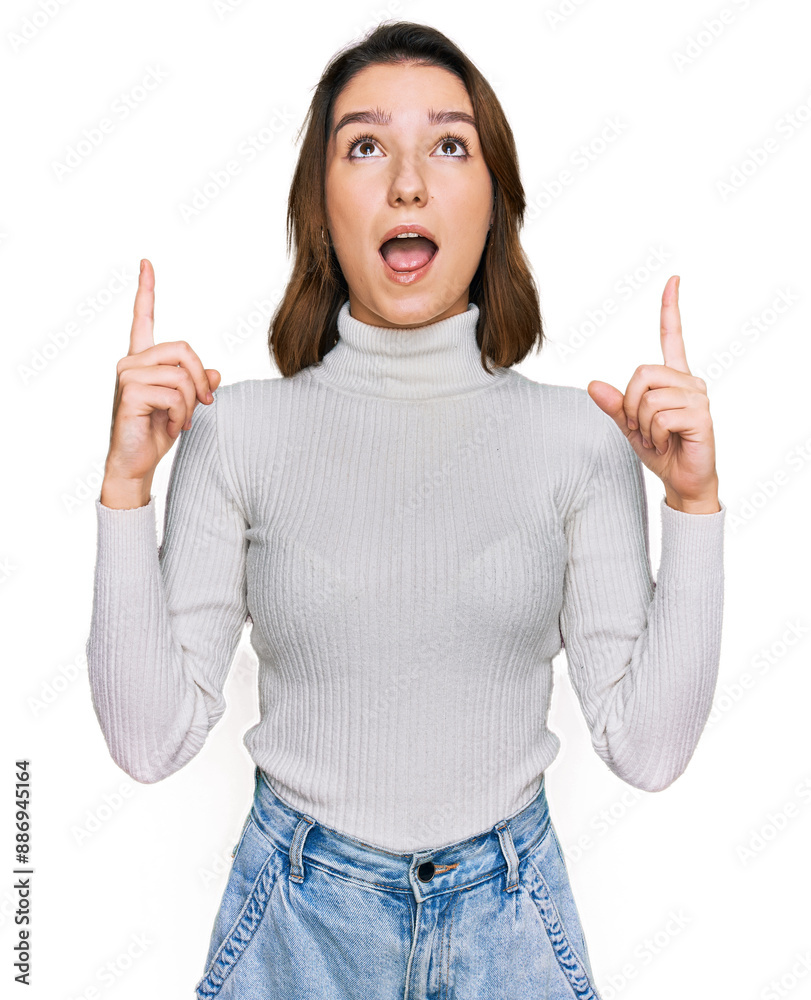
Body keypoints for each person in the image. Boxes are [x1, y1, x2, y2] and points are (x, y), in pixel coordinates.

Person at [85, 20, 725, 1000]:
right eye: (366, 144)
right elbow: (148, 739)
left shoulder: (583, 443)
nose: (409, 183)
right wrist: (127, 486)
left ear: (495, 200)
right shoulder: (231, 433)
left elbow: (646, 750)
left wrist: (693, 503)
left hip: (510, 922)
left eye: (450, 144)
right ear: (320, 203)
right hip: (295, 930)